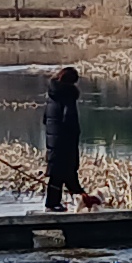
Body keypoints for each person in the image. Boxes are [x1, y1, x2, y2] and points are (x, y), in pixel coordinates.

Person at [41, 64, 85, 212]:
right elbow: (69, 120)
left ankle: (57, 202)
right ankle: (57, 203)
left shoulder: (52, 96)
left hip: (53, 141)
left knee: (58, 174)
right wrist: (75, 134)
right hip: (65, 142)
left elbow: (45, 119)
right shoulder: (68, 96)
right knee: (66, 172)